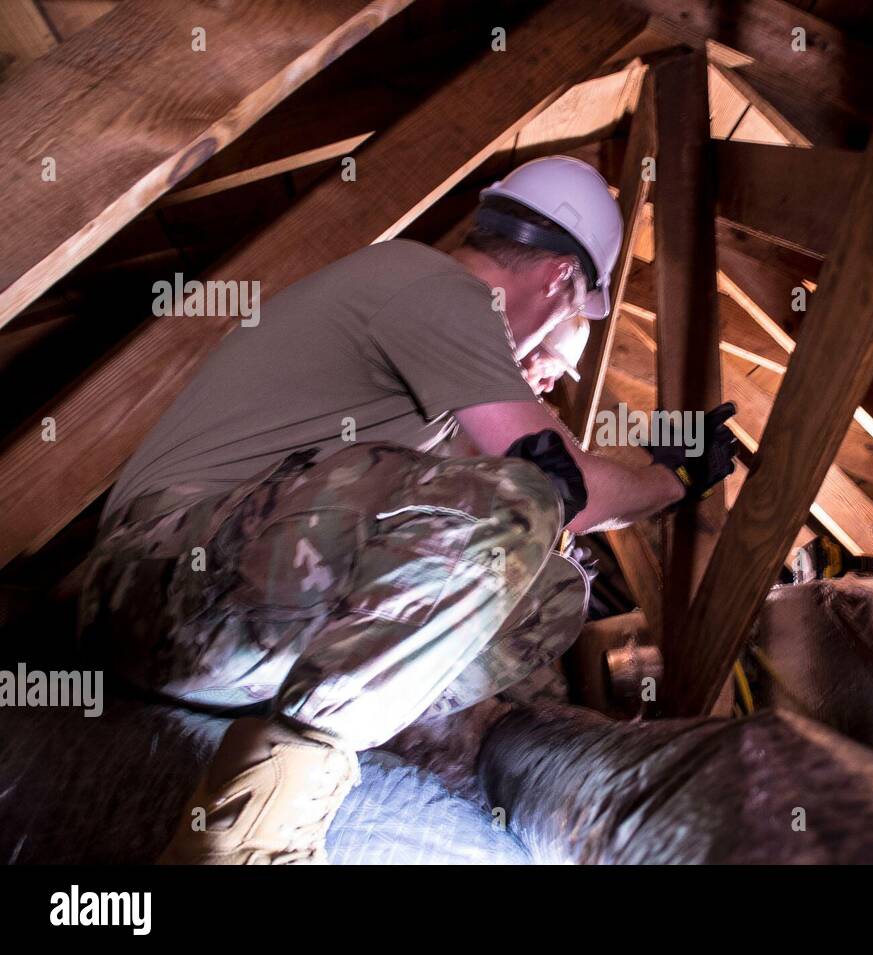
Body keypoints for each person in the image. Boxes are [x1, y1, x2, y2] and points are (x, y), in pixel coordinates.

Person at [79, 155, 738, 864]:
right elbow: (559, 484)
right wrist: (672, 479)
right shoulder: (431, 286)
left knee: (546, 591)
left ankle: (313, 718)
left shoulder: (423, 377)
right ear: (558, 279)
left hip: (225, 627)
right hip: (155, 584)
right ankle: (251, 836)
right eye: (574, 306)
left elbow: (491, 531)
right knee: (520, 498)